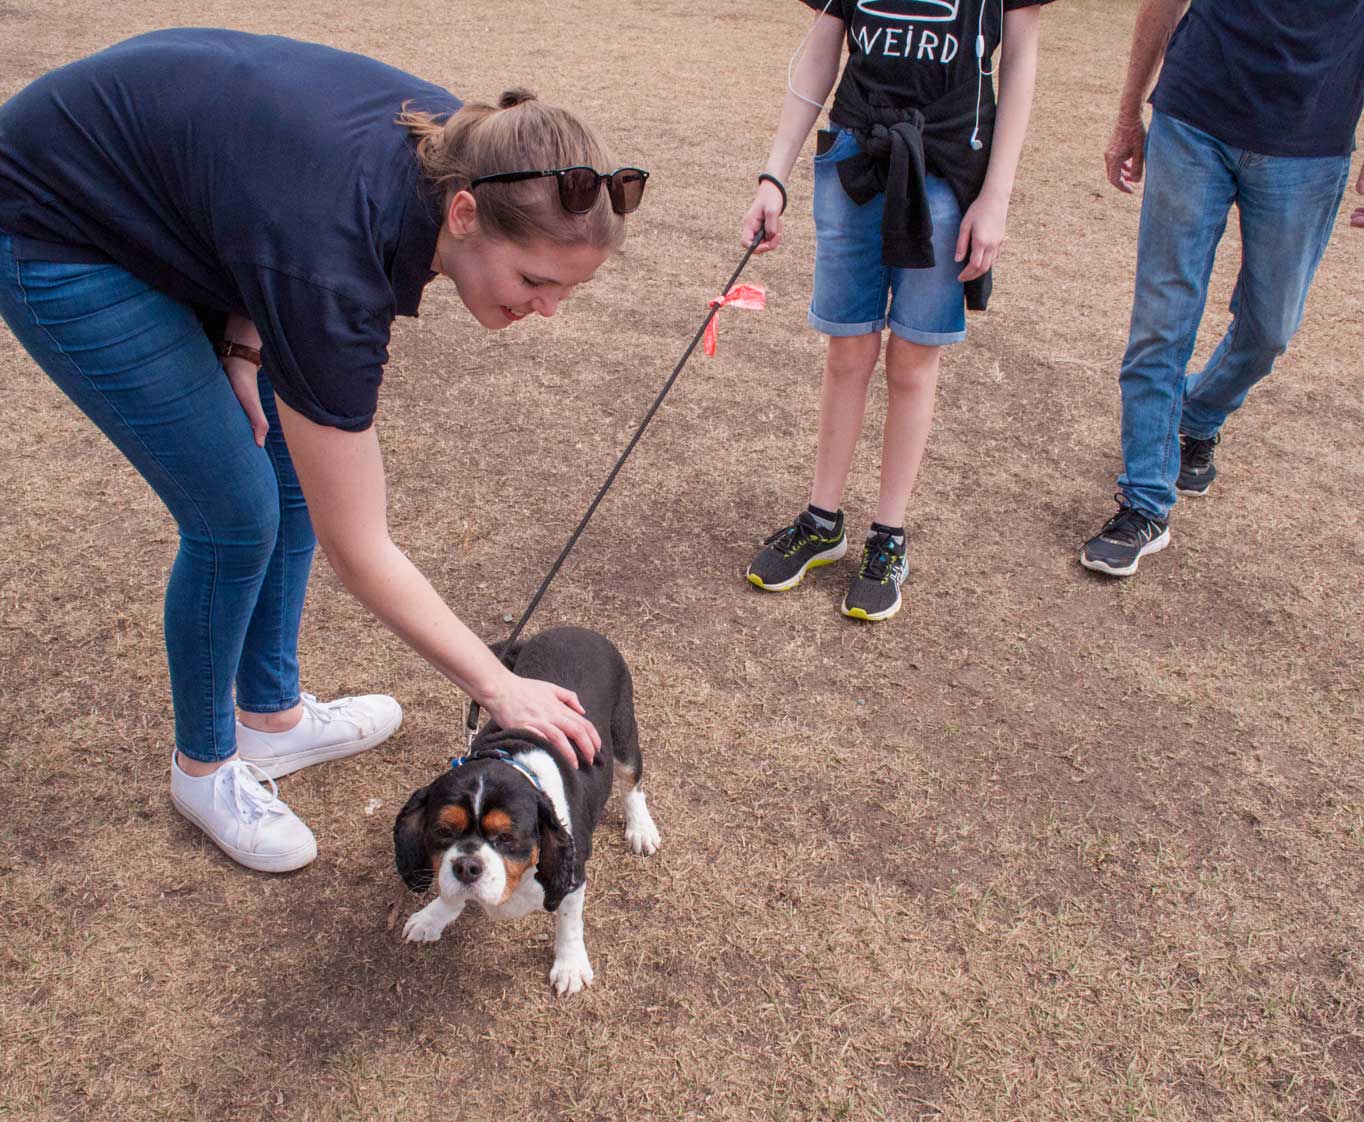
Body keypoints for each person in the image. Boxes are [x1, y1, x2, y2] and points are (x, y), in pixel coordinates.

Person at [0, 29, 649, 872]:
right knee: (236, 516)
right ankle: (205, 769)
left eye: (568, 289)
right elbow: (360, 547)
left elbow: (249, 187)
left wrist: (243, 337)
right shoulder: (336, 263)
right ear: (462, 216)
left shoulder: (477, 155)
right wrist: (501, 686)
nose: (548, 310)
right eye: (535, 281)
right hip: (55, 219)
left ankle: (271, 717)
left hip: (179, 202)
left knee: (291, 468)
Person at [740, 0, 1050, 622]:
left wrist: (996, 196)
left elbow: (1020, 62)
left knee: (912, 361)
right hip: (854, 158)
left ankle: (888, 535)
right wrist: (774, 175)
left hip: (947, 168)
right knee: (847, 348)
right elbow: (822, 51)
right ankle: (822, 521)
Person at [1080, 1, 1364, 577]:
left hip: (1310, 139)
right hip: (1194, 114)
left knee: (1270, 329)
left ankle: (1198, 413)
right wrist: (1128, 113)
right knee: (1162, 321)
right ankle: (1144, 503)